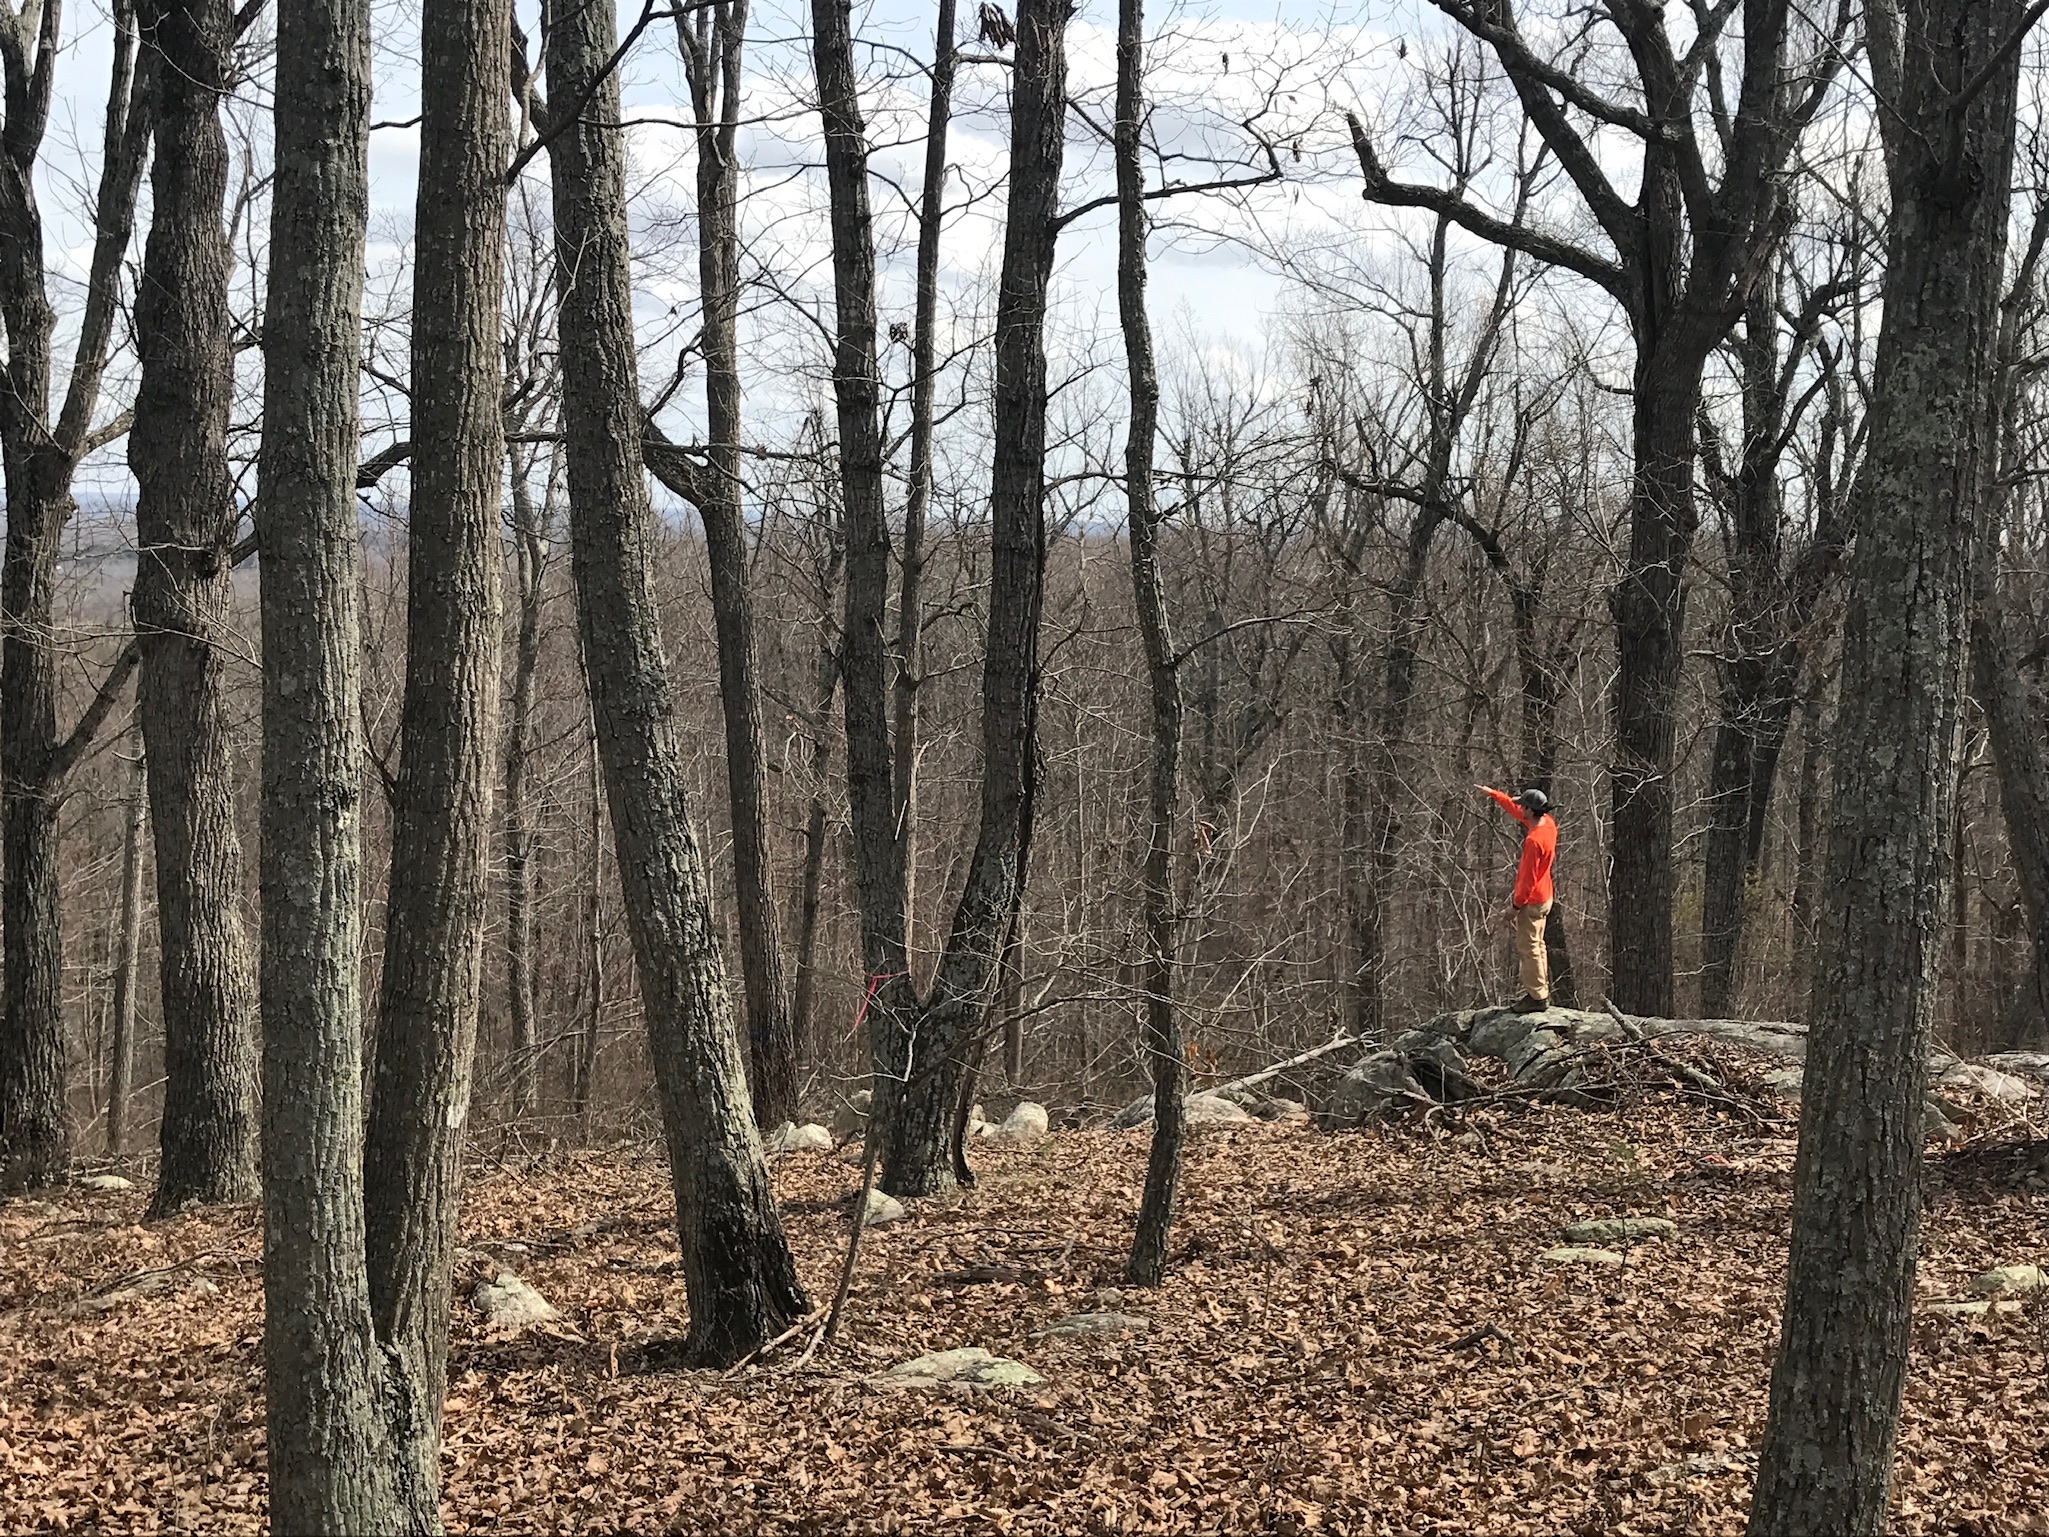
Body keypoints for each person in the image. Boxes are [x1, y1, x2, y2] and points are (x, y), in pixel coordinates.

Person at [1479, 785, 1556, 1013]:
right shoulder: (1548, 824)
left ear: (1530, 811)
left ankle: (1537, 998)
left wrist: (1515, 907)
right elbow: (1516, 810)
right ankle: (1540, 990)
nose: (1519, 808)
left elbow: (1527, 880)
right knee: (1538, 945)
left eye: (1524, 806)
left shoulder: (1534, 842)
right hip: (1546, 896)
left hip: (1532, 901)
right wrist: (1496, 795)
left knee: (1529, 947)